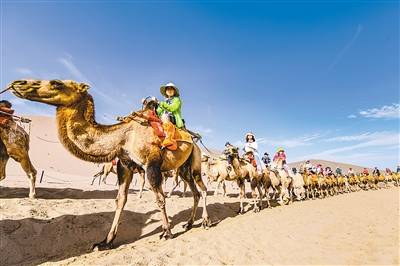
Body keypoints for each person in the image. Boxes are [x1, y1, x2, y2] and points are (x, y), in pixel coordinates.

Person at [156, 82, 184, 150]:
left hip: (173, 118)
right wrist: (156, 106)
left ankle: (169, 139)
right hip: (163, 117)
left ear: (174, 91)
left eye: (171, 89)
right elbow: (159, 112)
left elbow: (173, 108)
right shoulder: (164, 101)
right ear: (166, 91)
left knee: (165, 116)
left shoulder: (177, 100)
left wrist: (161, 104)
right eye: (168, 89)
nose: (169, 90)